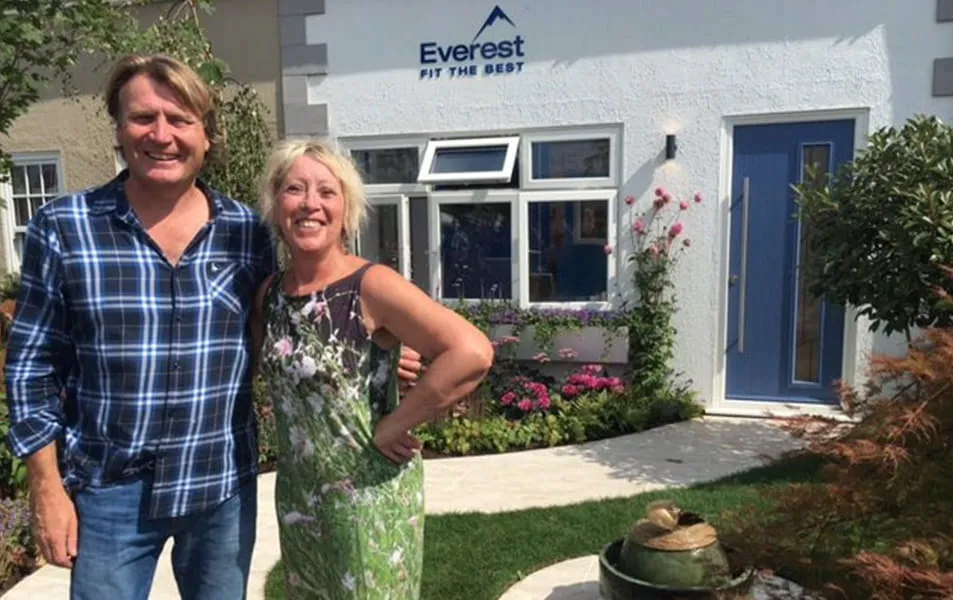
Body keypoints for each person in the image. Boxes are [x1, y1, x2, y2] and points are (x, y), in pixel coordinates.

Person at [3, 54, 422, 600]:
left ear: (206, 135)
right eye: (143, 118)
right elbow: (32, 366)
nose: (161, 135)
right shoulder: (64, 228)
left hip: (219, 486)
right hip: (110, 492)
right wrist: (47, 487)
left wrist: (375, 350)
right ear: (118, 127)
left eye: (179, 120)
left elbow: (290, 323)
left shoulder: (244, 232)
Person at [252, 137, 494, 598]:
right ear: (275, 203)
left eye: (327, 192)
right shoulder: (269, 295)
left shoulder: (371, 285)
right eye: (294, 189)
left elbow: (471, 351)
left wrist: (394, 424)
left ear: (347, 209)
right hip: (301, 502)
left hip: (367, 498)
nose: (310, 204)